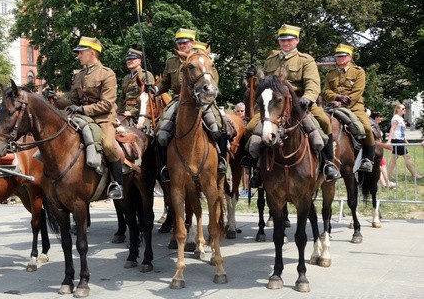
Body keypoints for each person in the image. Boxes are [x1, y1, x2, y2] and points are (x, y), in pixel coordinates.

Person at [245, 24, 341, 184]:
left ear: (296, 40)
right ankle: (255, 167)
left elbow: (312, 82)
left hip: (300, 103)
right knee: (250, 127)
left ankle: (328, 163)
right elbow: (264, 84)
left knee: (324, 122)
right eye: (282, 40)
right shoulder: (271, 59)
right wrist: (252, 78)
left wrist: (308, 97)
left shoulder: (305, 60)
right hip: (275, 105)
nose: (285, 43)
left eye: (289, 40)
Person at [153, 28, 227, 181]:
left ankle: (220, 161)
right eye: (179, 43)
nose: (182, 45)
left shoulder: (203, 58)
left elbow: (214, 80)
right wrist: (154, 89)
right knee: (161, 133)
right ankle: (166, 167)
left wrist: (207, 93)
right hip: (179, 101)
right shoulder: (172, 61)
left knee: (217, 126)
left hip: (203, 99)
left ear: (192, 42)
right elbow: (165, 83)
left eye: (185, 42)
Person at [64, 36, 123, 200]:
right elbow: (72, 101)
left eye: (80, 53)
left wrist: (82, 109)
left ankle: (117, 184)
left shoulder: (107, 74)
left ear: (92, 53)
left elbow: (107, 104)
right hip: (81, 117)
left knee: (108, 145)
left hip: (103, 118)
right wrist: (55, 98)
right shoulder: (79, 75)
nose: (78, 56)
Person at [322, 43, 375, 172]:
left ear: (350, 57)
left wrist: (344, 102)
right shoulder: (331, 74)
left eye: (343, 56)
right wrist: (336, 98)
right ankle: (324, 159)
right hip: (333, 106)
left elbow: (358, 91)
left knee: (367, 128)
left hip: (354, 106)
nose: (339, 58)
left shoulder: (358, 71)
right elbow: (325, 92)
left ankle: (368, 159)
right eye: (338, 56)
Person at [118, 47, 154, 127]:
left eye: (132, 59)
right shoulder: (126, 78)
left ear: (139, 61)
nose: (129, 61)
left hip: (140, 114)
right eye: (128, 59)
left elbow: (149, 98)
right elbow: (122, 98)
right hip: (125, 113)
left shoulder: (146, 75)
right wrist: (119, 112)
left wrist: (133, 112)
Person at [386, 103, 423, 181]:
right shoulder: (396, 118)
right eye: (403, 109)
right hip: (396, 140)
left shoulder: (400, 118)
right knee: (407, 157)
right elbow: (392, 129)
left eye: (405, 108)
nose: (404, 110)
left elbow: (401, 131)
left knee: (393, 159)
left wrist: (405, 140)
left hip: (400, 139)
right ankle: (414, 174)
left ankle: (387, 176)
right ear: (397, 109)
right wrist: (389, 141)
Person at [370, 111, 395, 188]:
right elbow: (374, 141)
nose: (381, 118)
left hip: (378, 149)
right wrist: (385, 146)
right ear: (376, 117)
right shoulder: (371, 126)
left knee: (381, 166)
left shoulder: (376, 125)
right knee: (380, 166)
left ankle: (385, 183)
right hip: (375, 149)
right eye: (380, 117)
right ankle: (386, 183)